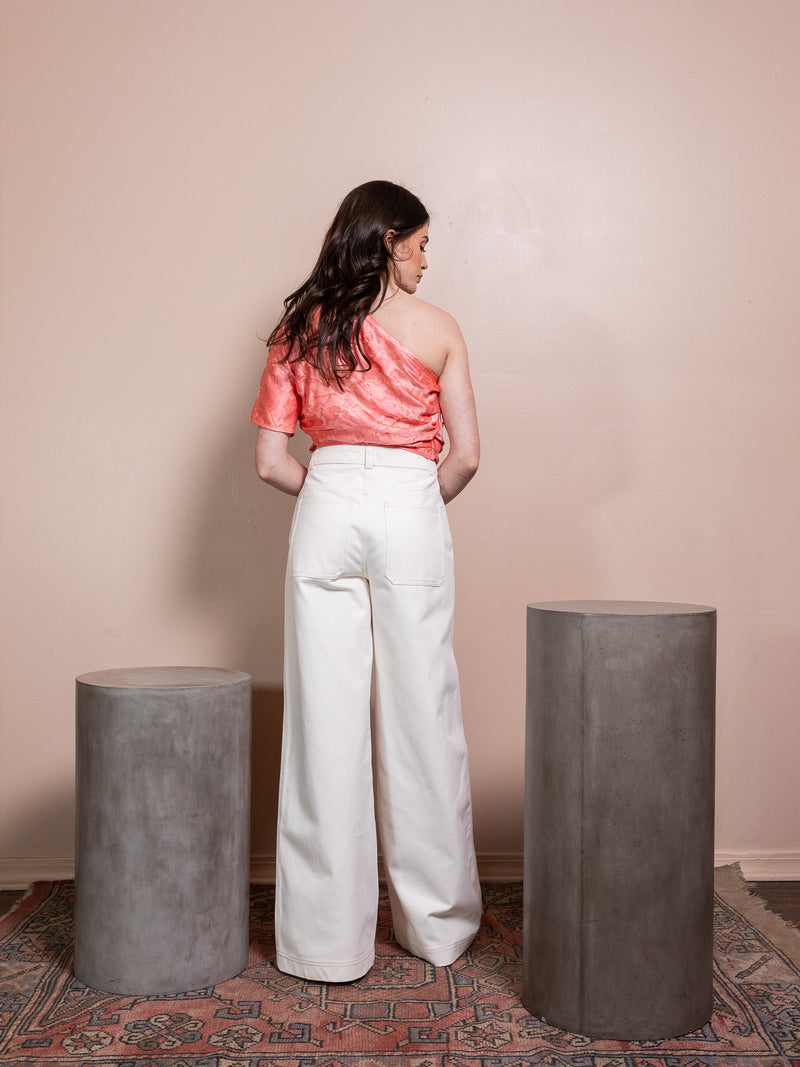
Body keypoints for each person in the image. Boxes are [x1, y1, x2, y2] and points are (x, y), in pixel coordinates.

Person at [251, 180, 481, 983]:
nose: (426, 258)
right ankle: (438, 929)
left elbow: (272, 462)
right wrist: (414, 502)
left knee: (324, 720)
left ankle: (323, 942)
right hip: (411, 504)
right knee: (424, 712)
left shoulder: (300, 328)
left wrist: (332, 489)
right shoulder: (439, 329)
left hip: (327, 500)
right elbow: (468, 456)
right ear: (388, 240)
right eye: (419, 243)